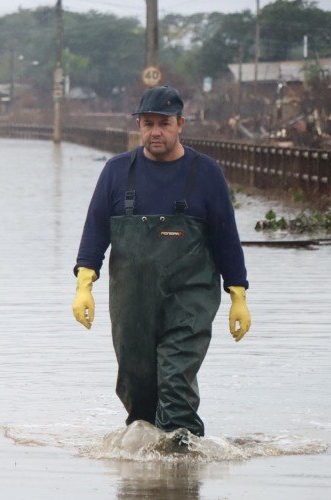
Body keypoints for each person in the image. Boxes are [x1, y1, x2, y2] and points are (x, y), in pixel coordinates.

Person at [71, 85, 251, 438]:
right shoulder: (116, 171)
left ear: (180, 123)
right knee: (138, 395)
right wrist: (83, 284)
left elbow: (226, 238)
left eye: (164, 123)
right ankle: (146, 482)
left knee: (176, 384)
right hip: (132, 301)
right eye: (148, 123)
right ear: (138, 124)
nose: (155, 131)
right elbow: (95, 231)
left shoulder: (206, 173)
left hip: (190, 298)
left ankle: (183, 468)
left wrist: (238, 294)